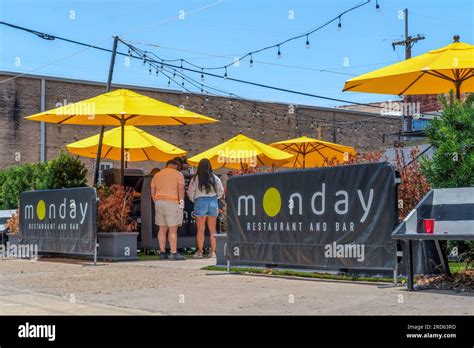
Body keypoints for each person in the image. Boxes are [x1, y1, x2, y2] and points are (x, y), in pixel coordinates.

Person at [187, 158, 224, 258]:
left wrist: (195, 200)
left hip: (200, 202)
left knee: (200, 229)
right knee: (213, 230)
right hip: (213, 201)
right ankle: (213, 252)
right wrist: (216, 198)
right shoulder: (215, 178)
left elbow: (190, 193)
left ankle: (200, 252)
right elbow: (221, 191)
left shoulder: (195, 179)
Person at [150, 159, 186, 261]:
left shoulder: (157, 175)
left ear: (167, 165)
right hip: (173, 202)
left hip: (159, 202)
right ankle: (173, 252)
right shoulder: (178, 175)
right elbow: (181, 190)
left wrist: (156, 201)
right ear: (176, 166)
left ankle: (162, 252)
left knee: (162, 229)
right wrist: (181, 202)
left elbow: (152, 191)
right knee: (173, 229)